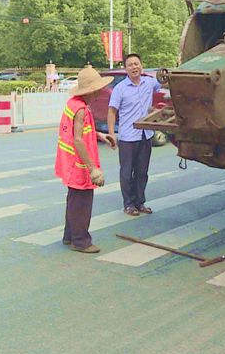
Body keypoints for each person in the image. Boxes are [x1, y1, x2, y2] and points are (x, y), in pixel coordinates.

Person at [55, 66, 116, 253]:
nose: (98, 93)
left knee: (73, 200)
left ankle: (69, 236)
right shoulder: (81, 109)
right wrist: (92, 169)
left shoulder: (73, 104)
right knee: (82, 202)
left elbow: (80, 132)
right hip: (79, 163)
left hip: (70, 161)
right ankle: (81, 241)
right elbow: (78, 139)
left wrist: (99, 135)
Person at [107, 53, 161, 216]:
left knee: (142, 171)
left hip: (146, 134)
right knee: (126, 172)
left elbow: (165, 79)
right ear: (126, 69)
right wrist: (111, 134)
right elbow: (111, 112)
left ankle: (140, 202)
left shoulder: (149, 83)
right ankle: (128, 204)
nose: (134, 67)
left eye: (136, 64)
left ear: (141, 66)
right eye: (130, 65)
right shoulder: (120, 89)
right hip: (128, 137)